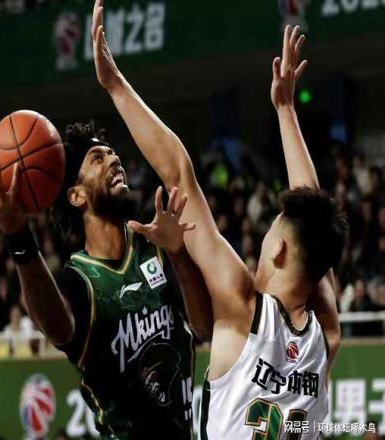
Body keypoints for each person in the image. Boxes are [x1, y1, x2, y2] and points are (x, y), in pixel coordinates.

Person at [90, 3, 347, 438]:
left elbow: (178, 173)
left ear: (280, 249)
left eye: (270, 229)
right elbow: (315, 219)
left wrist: (115, 84)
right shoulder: (326, 339)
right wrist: (285, 109)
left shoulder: (243, 308)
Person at [0, 22, 212, 440]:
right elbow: (58, 328)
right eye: (98, 158)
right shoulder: (77, 280)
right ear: (76, 195)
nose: (114, 159)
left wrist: (180, 256)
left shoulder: (157, 246)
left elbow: (204, 327)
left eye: (113, 153)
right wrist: (17, 236)